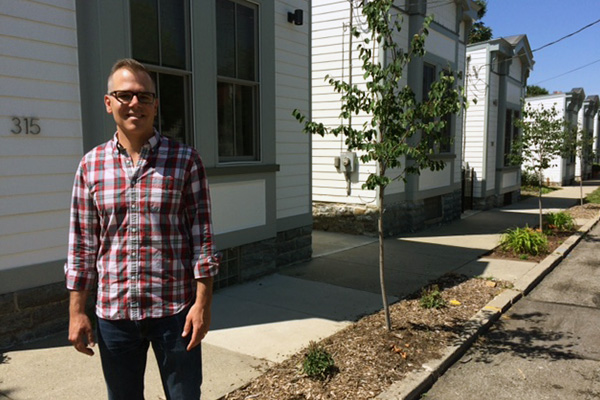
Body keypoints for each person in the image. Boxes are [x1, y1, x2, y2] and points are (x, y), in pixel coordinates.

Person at [65, 58, 219, 400]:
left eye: (144, 96)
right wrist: (77, 311)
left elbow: (202, 239)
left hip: (174, 313)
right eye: (124, 95)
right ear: (109, 103)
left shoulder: (185, 160)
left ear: (155, 104)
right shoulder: (90, 166)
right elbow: (82, 245)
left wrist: (203, 304)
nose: (135, 103)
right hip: (114, 316)